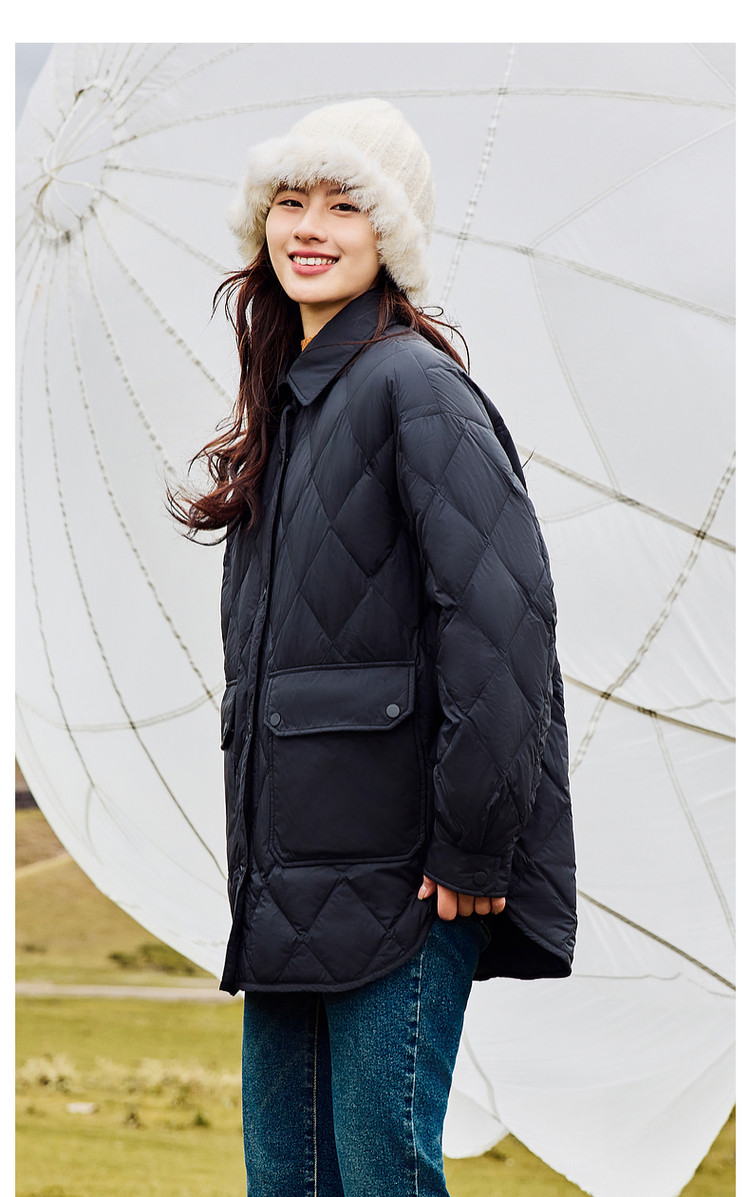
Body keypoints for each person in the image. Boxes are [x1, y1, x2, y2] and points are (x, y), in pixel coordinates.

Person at [170, 98, 576, 1197]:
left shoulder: (416, 388)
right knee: (287, 1181)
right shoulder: (292, 408)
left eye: (345, 205)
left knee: (382, 1175)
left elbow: (505, 627)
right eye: (289, 201)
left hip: (404, 880)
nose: (309, 226)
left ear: (390, 234)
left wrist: (473, 847)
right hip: (291, 879)